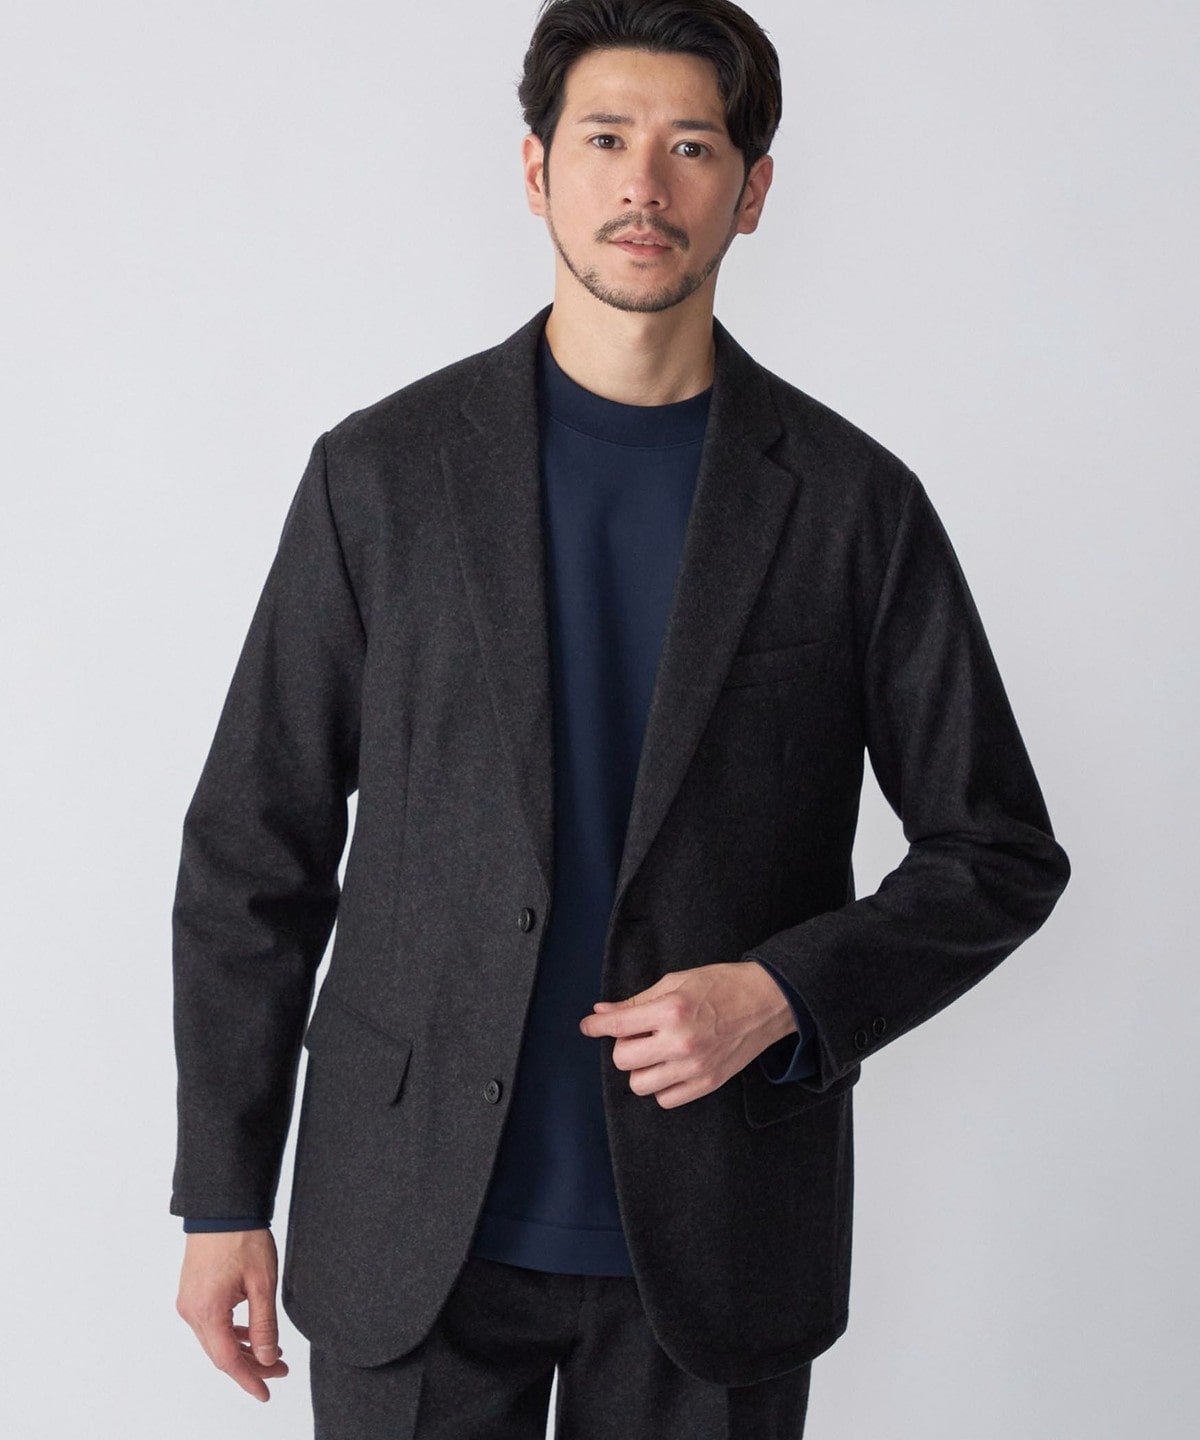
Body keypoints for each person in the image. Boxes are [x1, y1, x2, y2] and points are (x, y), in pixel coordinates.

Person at [171, 2, 1070, 1436]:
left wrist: (781, 995)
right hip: (410, 1223)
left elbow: (998, 849)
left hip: (717, 1238)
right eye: (605, 140)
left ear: (751, 192)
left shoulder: (854, 506)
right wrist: (223, 1193)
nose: (643, 184)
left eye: (692, 147)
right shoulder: (382, 476)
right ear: (538, 172)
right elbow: (252, 847)